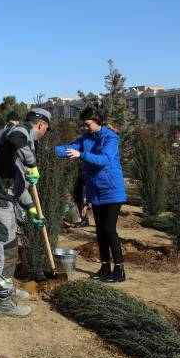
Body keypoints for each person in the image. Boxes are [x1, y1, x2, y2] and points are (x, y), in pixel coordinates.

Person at [0, 108, 51, 317]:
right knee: (8, 250)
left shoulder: (21, 148)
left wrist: (32, 209)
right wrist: (33, 165)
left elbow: (19, 188)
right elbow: (14, 137)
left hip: (3, 197)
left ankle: (6, 289)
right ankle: (3, 302)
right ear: (40, 125)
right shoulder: (21, 133)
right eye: (46, 129)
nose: (44, 134)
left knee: (9, 248)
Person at [55, 107, 126, 282]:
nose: (85, 128)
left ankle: (119, 270)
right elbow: (68, 148)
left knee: (109, 229)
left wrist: (81, 154)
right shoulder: (86, 138)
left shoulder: (111, 138)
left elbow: (104, 159)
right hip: (95, 191)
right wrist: (43, 149)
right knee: (100, 232)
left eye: (88, 124)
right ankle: (104, 267)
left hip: (112, 190)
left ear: (97, 121)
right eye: (84, 125)